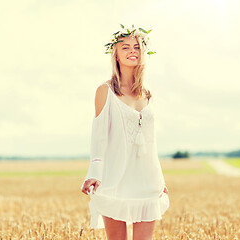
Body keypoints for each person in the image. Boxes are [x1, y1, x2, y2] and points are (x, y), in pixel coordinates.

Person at [81, 24, 169, 240]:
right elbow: (99, 136)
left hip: (147, 180)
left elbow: (151, 143)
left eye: (137, 47)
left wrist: (160, 180)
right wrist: (94, 173)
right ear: (116, 55)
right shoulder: (105, 91)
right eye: (125, 47)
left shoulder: (148, 94)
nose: (132, 51)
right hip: (114, 178)